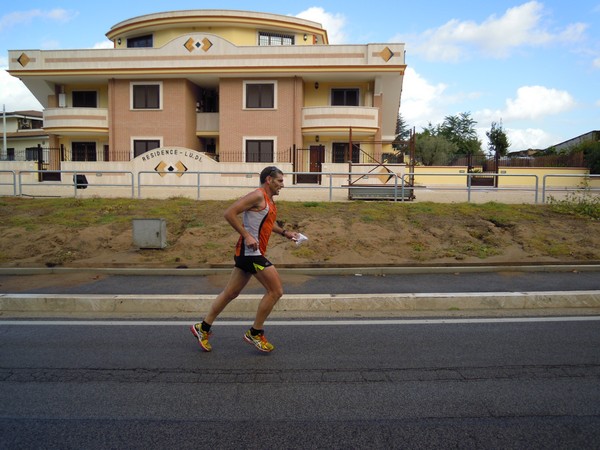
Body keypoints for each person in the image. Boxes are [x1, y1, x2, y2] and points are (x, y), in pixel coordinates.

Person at [190, 166, 299, 353]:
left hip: (249, 253)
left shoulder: (269, 201)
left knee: (230, 293)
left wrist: (286, 233)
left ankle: (203, 328)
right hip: (251, 253)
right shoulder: (257, 195)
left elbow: (267, 224)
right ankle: (255, 333)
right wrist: (247, 235)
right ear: (268, 180)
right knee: (276, 291)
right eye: (280, 181)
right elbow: (229, 213)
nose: (283, 185)